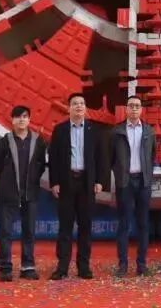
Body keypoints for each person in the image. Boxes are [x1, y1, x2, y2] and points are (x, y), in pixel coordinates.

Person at [49, 93, 106, 280]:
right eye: (75, 104)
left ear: (85, 108)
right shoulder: (59, 130)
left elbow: (101, 158)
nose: (79, 106)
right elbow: (53, 158)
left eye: (82, 103)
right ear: (69, 108)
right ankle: (62, 267)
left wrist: (100, 181)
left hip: (86, 183)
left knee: (85, 226)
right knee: (65, 227)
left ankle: (84, 267)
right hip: (66, 182)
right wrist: (54, 182)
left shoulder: (94, 130)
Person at [0, 105, 47, 282]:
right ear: (12, 120)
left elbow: (41, 165)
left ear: (29, 120)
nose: (21, 120)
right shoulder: (4, 141)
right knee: (5, 231)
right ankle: (5, 267)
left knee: (29, 231)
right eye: (18, 117)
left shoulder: (38, 141)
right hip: (8, 193)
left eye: (24, 116)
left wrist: (32, 179)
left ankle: (28, 266)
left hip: (30, 192)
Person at [110, 95, 156, 277]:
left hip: (143, 182)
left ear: (141, 109)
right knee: (124, 223)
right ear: (126, 109)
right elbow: (111, 157)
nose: (134, 109)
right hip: (125, 182)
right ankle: (122, 265)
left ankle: (141, 264)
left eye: (137, 106)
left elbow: (152, 156)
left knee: (143, 223)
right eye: (131, 106)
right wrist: (119, 174)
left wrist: (147, 174)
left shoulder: (149, 131)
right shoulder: (117, 131)